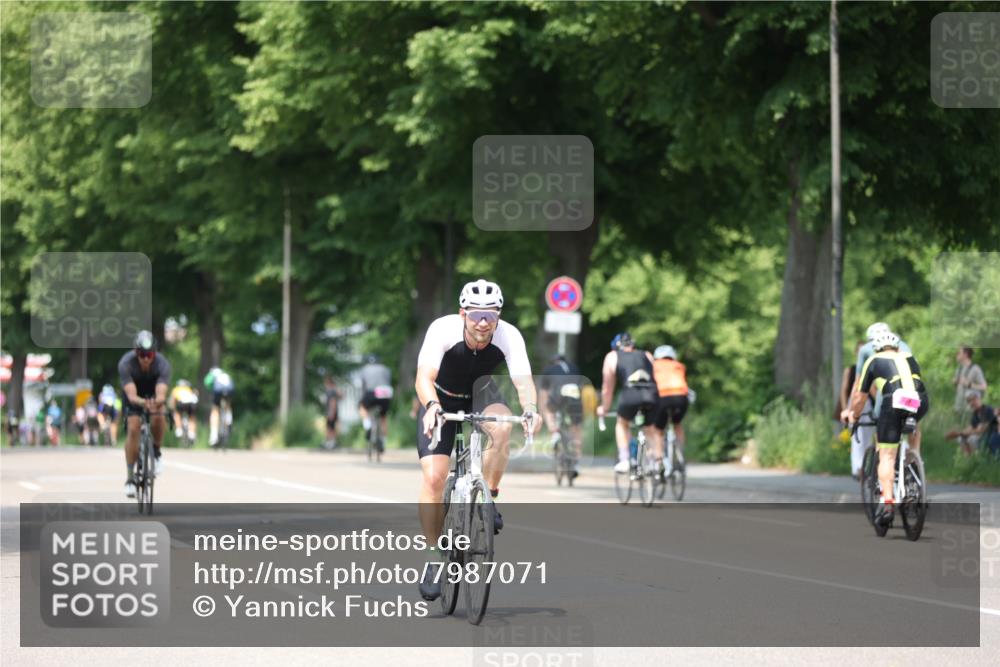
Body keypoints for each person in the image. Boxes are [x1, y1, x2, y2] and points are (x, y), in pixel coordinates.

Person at [414, 279, 538, 601]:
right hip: (440, 400)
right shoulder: (442, 330)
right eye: (475, 314)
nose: (483, 321)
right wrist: (432, 407)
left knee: (502, 428)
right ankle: (433, 558)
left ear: (498, 315)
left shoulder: (509, 335)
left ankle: (488, 496)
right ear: (463, 314)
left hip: (482, 395)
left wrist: (530, 410)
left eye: (490, 314)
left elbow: (523, 380)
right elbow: (423, 377)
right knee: (434, 478)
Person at [845, 331, 929, 525]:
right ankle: (913, 466)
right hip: (920, 401)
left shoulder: (873, 360)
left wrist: (854, 416)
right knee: (909, 428)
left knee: (887, 455)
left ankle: (888, 503)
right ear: (897, 346)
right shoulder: (909, 357)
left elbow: (860, 397)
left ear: (876, 348)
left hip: (894, 401)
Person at [841, 322, 915, 478]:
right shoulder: (905, 347)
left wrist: (852, 412)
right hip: (914, 397)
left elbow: (859, 385)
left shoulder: (866, 350)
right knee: (912, 426)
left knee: (882, 438)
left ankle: (884, 484)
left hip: (887, 399)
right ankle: (914, 458)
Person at [598, 333, 659, 474]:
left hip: (630, 394)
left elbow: (607, 388)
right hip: (651, 394)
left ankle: (624, 460)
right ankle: (653, 463)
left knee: (622, 423)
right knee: (650, 428)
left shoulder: (612, 356)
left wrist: (604, 408)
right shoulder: (647, 354)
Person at [120, 330, 171, 498]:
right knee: (134, 427)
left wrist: (156, 402)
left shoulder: (162, 364)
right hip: (134, 396)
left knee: (158, 415)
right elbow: (132, 395)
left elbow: (162, 393)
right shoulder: (126, 364)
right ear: (136, 353)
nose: (146, 359)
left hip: (153, 394)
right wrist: (143, 403)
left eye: (149, 355)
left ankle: (155, 451)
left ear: (154, 354)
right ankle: (129, 478)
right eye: (142, 355)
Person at [538, 354, 585, 480]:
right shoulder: (574, 367)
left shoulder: (549, 370)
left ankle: (554, 432)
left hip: (558, 397)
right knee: (576, 428)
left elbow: (543, 395)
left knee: (548, 408)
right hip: (575, 397)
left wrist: (543, 414)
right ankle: (576, 463)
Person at [651, 345, 689, 477]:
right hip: (681, 398)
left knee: (658, 430)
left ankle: (659, 460)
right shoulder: (679, 365)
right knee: (677, 424)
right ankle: (680, 454)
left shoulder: (654, 365)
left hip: (663, 397)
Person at [946, 390, 999, 457]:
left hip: (994, 435)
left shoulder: (987, 410)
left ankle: (977, 458)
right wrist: (958, 434)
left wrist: (958, 433)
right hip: (985, 436)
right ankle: (968, 458)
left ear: (979, 399)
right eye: (969, 401)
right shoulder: (976, 413)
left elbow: (981, 430)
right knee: (961, 438)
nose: (971, 403)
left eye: (973, 399)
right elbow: (970, 428)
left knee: (972, 439)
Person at [358, 355, 393, 453]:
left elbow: (363, 385)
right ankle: (383, 441)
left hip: (371, 392)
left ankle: (368, 425)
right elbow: (388, 382)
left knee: (362, 407)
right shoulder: (386, 369)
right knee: (383, 417)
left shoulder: (365, 369)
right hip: (385, 393)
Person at [203, 366, 234, 448]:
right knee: (228, 405)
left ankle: (214, 436)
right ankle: (229, 419)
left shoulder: (212, 374)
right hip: (230, 390)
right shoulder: (226, 375)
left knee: (215, 410)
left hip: (218, 391)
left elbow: (207, 383)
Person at [322, 376, 342, 449]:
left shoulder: (330, 391)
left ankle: (330, 442)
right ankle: (331, 441)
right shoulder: (334, 391)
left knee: (330, 427)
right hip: (333, 412)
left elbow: (332, 402)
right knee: (331, 427)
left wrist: (331, 413)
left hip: (331, 412)